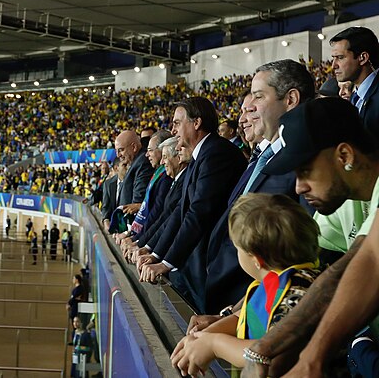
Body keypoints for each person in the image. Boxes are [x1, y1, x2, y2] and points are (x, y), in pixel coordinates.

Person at [238, 97, 379, 377]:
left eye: (305, 171)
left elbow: (365, 263)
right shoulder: (343, 200)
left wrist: (309, 358)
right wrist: (237, 317)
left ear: (344, 156)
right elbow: (314, 277)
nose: (299, 187)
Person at [171, 193, 336, 376]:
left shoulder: (298, 294)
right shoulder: (275, 281)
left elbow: (269, 352)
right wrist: (201, 337)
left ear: (256, 259)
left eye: (238, 248)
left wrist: (215, 344)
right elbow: (246, 316)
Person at [204, 59, 315, 314]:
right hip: (236, 298)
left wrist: (243, 310)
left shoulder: (304, 162)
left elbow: (299, 256)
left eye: (258, 97)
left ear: (290, 100)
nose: (250, 108)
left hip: (262, 307)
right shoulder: (266, 157)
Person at [138, 96, 246, 312]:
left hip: (214, 263)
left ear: (196, 123)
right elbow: (180, 212)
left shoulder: (216, 153)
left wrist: (166, 263)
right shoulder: (202, 155)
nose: (173, 129)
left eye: (177, 123)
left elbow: (199, 213)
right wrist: (156, 253)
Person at [330, 26, 379, 131]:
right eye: (333, 58)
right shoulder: (354, 96)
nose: (333, 65)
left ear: (363, 58)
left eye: (340, 57)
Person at [115, 130, 155, 212]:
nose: (118, 155)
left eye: (121, 150)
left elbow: (137, 202)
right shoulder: (136, 162)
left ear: (134, 147)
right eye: (117, 151)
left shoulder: (143, 163)